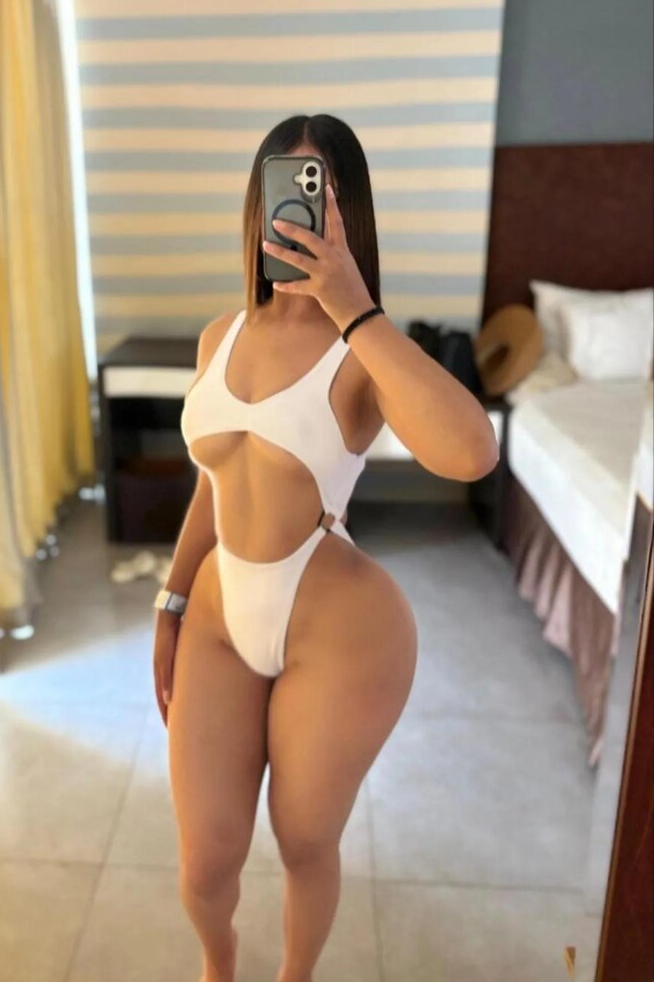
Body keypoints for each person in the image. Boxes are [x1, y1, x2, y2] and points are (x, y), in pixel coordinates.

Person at [152, 113, 499, 982]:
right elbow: (212, 483)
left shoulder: (363, 355)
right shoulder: (218, 337)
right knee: (204, 863)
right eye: (287, 186)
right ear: (258, 203)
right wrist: (172, 598)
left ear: (350, 214)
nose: (301, 212)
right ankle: (219, 963)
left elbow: (472, 453)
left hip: (336, 629)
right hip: (219, 618)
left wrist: (354, 307)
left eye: (323, 193)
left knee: (305, 841)